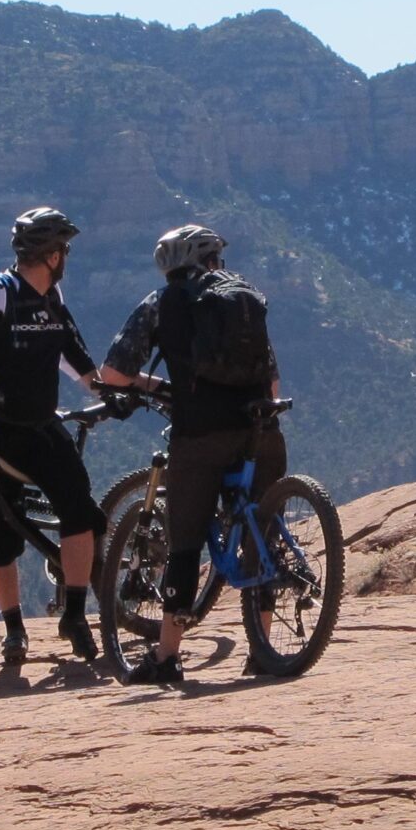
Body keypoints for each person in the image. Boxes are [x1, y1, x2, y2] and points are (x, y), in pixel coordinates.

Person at [98, 223, 282, 686]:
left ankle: (165, 656)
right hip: (263, 426)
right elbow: (273, 380)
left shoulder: (163, 303)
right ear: (213, 259)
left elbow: (114, 373)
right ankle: (263, 649)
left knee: (185, 540)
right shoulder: (244, 299)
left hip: (201, 433)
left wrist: (156, 387)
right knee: (261, 533)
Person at [0, 206, 104, 665]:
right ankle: (13, 628)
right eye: (64, 250)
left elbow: (77, 359)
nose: (65, 257)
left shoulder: (53, 299)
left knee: (80, 513)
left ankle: (73, 614)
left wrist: (111, 393)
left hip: (40, 424)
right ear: (52, 255)